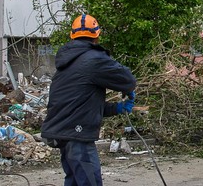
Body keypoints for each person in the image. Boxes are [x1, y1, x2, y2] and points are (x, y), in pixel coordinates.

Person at [41, 14, 137, 186]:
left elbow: (80, 104)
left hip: (63, 133)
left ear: (72, 35)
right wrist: (127, 89)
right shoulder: (94, 60)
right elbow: (128, 80)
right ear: (97, 35)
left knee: (74, 181)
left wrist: (117, 108)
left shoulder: (67, 64)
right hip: (77, 136)